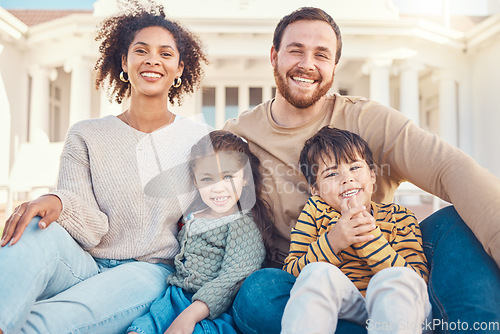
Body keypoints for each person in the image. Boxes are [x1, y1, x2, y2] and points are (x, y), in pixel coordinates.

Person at [224, 6, 500, 334]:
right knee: (258, 293)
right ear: (274, 56)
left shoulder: (366, 118)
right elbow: (203, 204)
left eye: (321, 55)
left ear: (334, 66)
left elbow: (451, 168)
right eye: (295, 50)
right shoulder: (239, 135)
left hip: (392, 275)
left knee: (457, 220)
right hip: (306, 286)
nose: (307, 64)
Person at [0, 2, 211, 333]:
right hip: (84, 261)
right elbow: (90, 225)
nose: (153, 59)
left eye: (165, 54)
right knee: (30, 229)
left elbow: (211, 223)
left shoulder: (199, 140)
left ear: (180, 68)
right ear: (125, 62)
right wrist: (57, 202)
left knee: (45, 322)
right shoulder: (86, 134)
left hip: (148, 271)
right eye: (141, 51)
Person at [281, 126, 431, 333]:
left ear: (372, 175)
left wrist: (369, 238)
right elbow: (291, 273)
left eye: (354, 168)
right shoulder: (315, 211)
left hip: (397, 311)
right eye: (332, 173)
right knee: (316, 273)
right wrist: (333, 241)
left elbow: (418, 280)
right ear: (315, 190)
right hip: (349, 307)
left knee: (398, 278)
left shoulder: (400, 216)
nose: (346, 179)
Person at [127, 130, 274, 334]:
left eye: (229, 177)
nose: (218, 188)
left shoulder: (242, 224)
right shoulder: (192, 216)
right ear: (195, 182)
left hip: (212, 308)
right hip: (173, 298)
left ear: (246, 177)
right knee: (139, 330)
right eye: (207, 179)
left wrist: (190, 315)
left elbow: (233, 277)